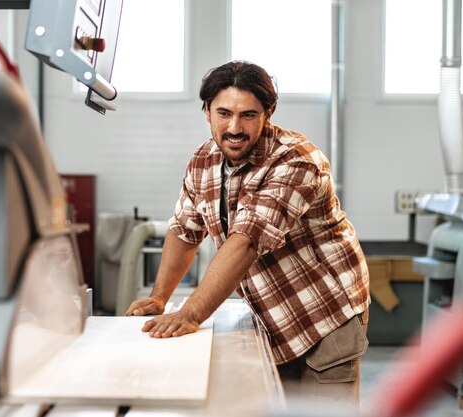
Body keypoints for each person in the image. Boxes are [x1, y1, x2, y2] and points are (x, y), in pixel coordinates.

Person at [125, 61, 370, 404]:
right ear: (206, 111)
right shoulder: (203, 161)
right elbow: (184, 230)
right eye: (223, 113)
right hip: (273, 315)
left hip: (325, 315)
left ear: (269, 113)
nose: (234, 127)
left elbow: (246, 242)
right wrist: (160, 297)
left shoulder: (296, 161)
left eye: (248, 115)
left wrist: (191, 313)